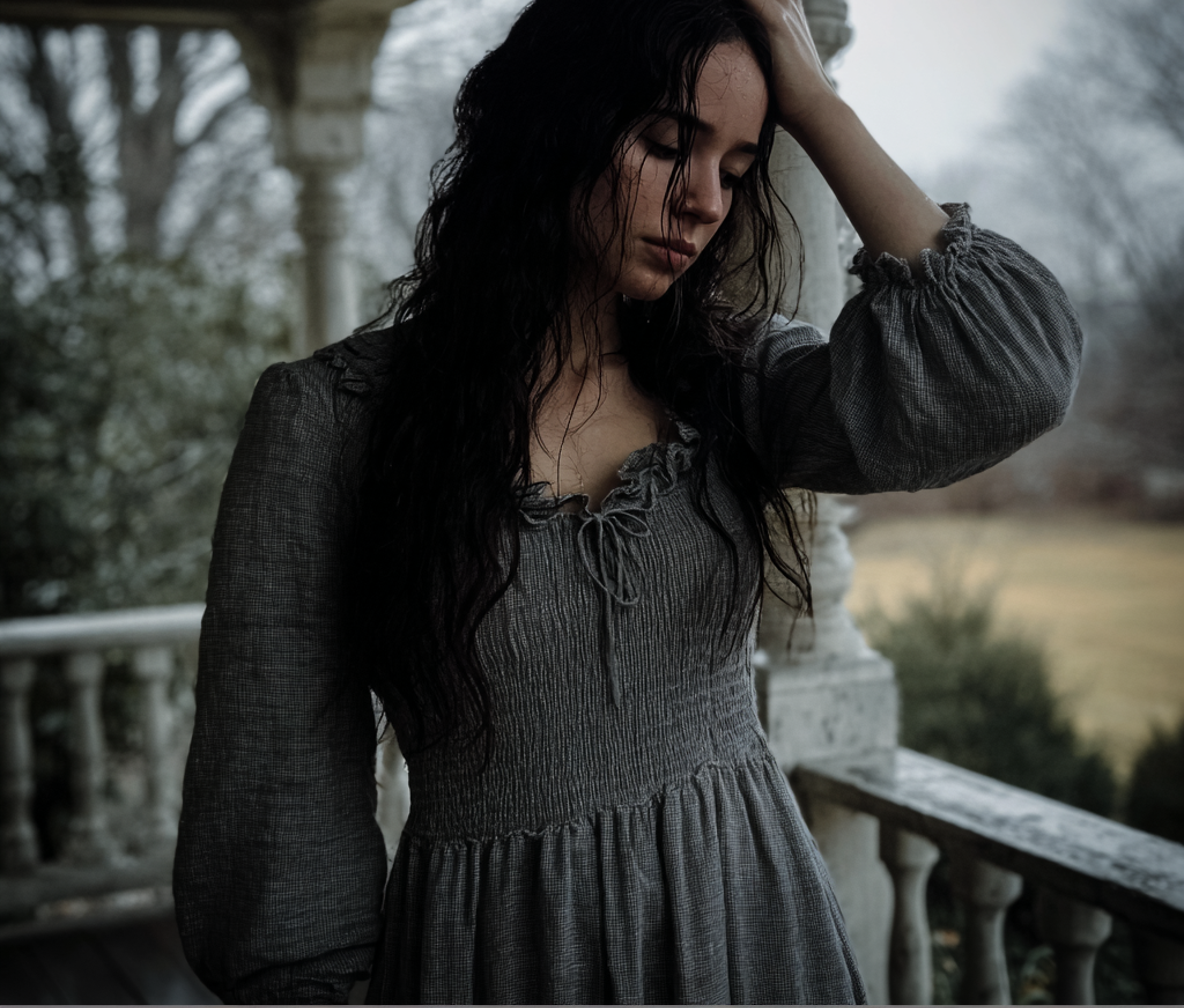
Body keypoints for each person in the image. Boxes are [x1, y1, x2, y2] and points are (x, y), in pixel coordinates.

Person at [173, 0, 1082, 1003]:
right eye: (666, 145)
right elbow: (273, 809)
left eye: (735, 172)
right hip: (502, 959)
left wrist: (812, 99)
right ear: (552, 126)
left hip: (754, 933)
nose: (702, 202)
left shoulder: (734, 380)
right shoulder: (328, 422)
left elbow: (1007, 375)